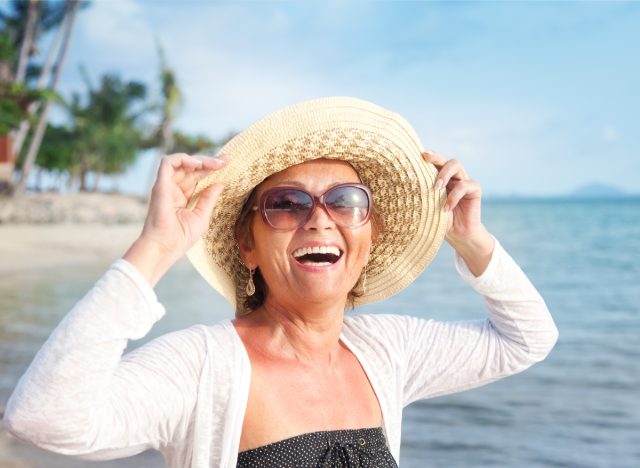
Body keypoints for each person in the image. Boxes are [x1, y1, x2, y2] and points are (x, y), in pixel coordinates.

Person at [4, 97, 558, 467]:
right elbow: (43, 418)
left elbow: (527, 339)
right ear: (247, 246)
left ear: (367, 238)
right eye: (286, 204)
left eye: (346, 201)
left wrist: (471, 241)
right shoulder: (201, 367)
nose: (320, 219)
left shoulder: (388, 351)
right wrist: (156, 249)